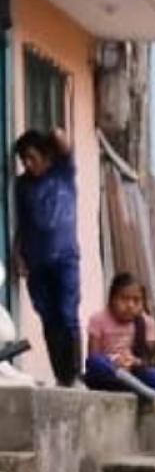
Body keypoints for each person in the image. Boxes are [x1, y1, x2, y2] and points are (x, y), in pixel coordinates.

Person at [84, 274, 155, 458]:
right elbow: (92, 355)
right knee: (95, 363)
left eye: (136, 300)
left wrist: (134, 361)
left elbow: (148, 359)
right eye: (124, 299)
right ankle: (151, 395)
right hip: (108, 374)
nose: (130, 305)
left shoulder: (145, 323)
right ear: (111, 299)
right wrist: (113, 362)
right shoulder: (98, 319)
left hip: (134, 372)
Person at [13, 128, 81, 387]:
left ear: (45, 155)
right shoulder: (22, 185)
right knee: (49, 321)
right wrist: (18, 254)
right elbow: (20, 222)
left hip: (65, 259)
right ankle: (61, 377)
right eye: (23, 161)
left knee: (67, 315)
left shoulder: (63, 172)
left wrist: (51, 137)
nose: (28, 165)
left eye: (31, 157)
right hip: (37, 263)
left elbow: (62, 138)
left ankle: (74, 374)